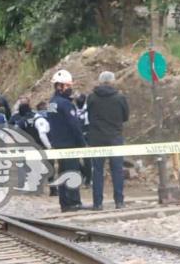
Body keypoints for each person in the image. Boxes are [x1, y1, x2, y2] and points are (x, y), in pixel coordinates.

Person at [87, 71, 129, 210]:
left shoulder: (92, 98)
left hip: (96, 138)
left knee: (97, 170)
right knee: (117, 170)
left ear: (99, 81)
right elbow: (125, 116)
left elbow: (90, 115)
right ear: (113, 81)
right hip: (115, 138)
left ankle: (97, 203)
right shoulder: (119, 98)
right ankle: (119, 201)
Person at [47, 69, 86, 212]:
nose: (70, 89)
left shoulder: (52, 103)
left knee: (63, 173)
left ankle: (64, 203)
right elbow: (74, 125)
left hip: (58, 144)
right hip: (69, 144)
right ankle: (74, 202)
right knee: (72, 173)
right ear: (59, 86)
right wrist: (82, 143)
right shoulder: (65, 104)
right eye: (68, 86)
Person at [74, 93, 92, 187]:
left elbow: (89, 125)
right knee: (74, 158)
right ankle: (84, 173)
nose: (78, 101)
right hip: (76, 136)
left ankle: (88, 180)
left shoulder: (87, 110)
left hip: (86, 136)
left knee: (87, 159)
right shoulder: (74, 110)